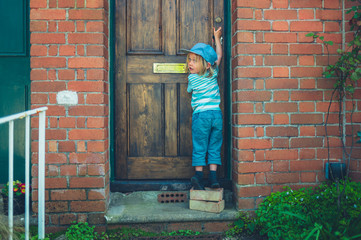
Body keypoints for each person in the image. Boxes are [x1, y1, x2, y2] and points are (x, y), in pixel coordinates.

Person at [182, 27, 223, 190]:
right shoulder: (213, 73)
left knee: (200, 145)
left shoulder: (192, 79)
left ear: (206, 64)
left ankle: (198, 176)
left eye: (194, 60)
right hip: (217, 116)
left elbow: (189, 91)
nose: (190, 63)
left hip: (201, 117)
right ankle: (213, 178)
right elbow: (218, 57)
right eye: (189, 59)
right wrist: (217, 38)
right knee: (214, 145)